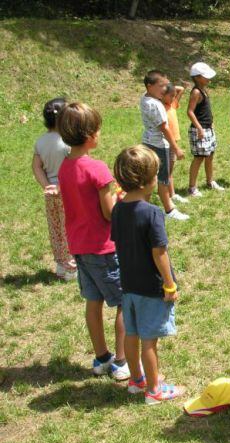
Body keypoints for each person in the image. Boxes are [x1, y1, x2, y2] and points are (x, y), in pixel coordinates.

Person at [57, 102, 129, 380]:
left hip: (79, 246)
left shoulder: (65, 166)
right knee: (124, 301)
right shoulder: (97, 169)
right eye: (98, 130)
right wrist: (120, 199)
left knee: (93, 300)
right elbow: (109, 213)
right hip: (103, 246)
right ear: (89, 136)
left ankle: (101, 358)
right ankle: (122, 362)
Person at [111, 145, 185, 404]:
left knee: (132, 334)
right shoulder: (152, 213)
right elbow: (159, 253)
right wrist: (169, 283)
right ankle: (154, 390)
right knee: (149, 341)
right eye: (156, 175)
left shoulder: (117, 210)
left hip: (128, 285)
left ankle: (136, 380)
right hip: (151, 288)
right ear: (147, 181)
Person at [32, 97, 77, 280]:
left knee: (56, 227)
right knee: (72, 226)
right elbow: (77, 165)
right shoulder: (69, 142)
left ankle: (60, 265)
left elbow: (36, 166)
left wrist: (47, 185)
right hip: (69, 192)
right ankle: (72, 268)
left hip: (51, 194)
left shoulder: (41, 142)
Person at [140, 70, 188, 221]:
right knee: (163, 178)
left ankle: (142, 209)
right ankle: (169, 210)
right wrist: (176, 148)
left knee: (149, 177)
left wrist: (163, 81)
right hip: (159, 145)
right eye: (161, 86)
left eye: (166, 85)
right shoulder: (155, 104)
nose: (165, 89)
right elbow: (165, 128)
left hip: (148, 142)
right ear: (149, 86)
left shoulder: (145, 97)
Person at [187, 62, 224, 197]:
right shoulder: (196, 92)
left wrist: (210, 124)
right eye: (205, 76)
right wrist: (199, 128)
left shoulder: (203, 90)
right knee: (199, 158)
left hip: (208, 129)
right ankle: (192, 187)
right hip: (200, 131)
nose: (209, 79)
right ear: (197, 77)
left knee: (210, 156)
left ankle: (210, 181)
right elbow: (190, 112)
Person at [161, 82, 189, 206]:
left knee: (170, 170)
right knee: (165, 170)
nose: (173, 97)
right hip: (165, 142)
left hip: (174, 141)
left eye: (174, 95)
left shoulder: (172, 104)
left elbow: (181, 89)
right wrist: (164, 89)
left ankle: (172, 194)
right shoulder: (160, 106)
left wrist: (169, 86)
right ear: (162, 95)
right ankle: (167, 195)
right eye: (171, 95)